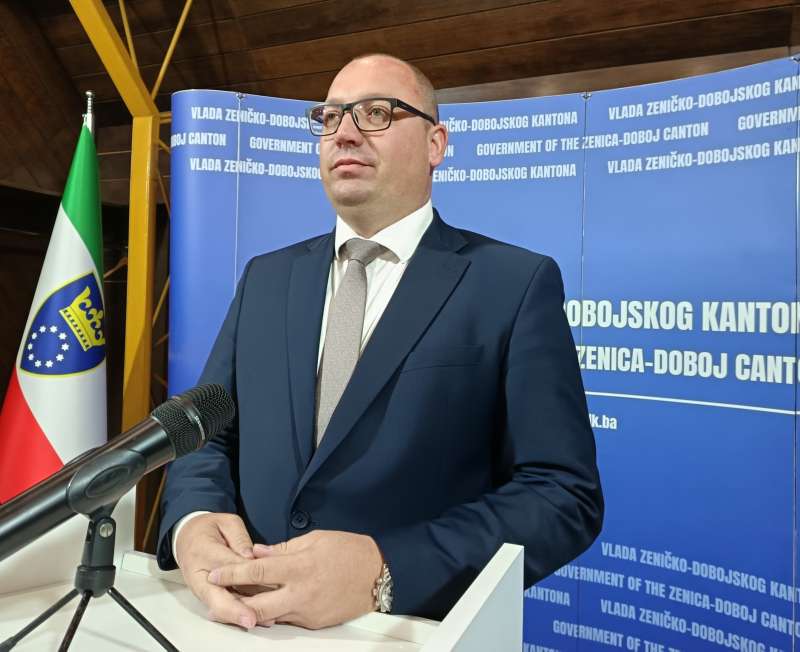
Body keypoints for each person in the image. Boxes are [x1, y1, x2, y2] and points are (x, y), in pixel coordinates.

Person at [158, 53, 603, 631]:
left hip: (398, 630)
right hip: (241, 621)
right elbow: (208, 432)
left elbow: (562, 495)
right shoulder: (267, 278)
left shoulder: (512, 284)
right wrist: (194, 519)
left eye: (377, 113)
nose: (344, 133)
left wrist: (385, 569)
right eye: (331, 117)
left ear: (436, 144)